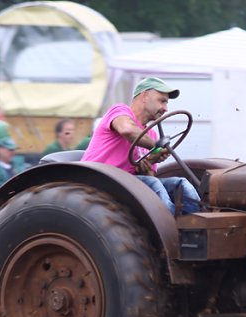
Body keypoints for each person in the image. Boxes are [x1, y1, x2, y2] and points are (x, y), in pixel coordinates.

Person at [81, 76, 201, 215]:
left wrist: (148, 163)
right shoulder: (119, 111)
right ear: (144, 96)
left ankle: (194, 228)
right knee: (155, 186)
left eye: (166, 103)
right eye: (161, 101)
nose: (165, 108)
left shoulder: (153, 134)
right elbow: (128, 130)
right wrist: (156, 147)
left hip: (126, 184)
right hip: (98, 179)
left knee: (181, 184)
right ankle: (169, 230)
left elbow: (149, 176)